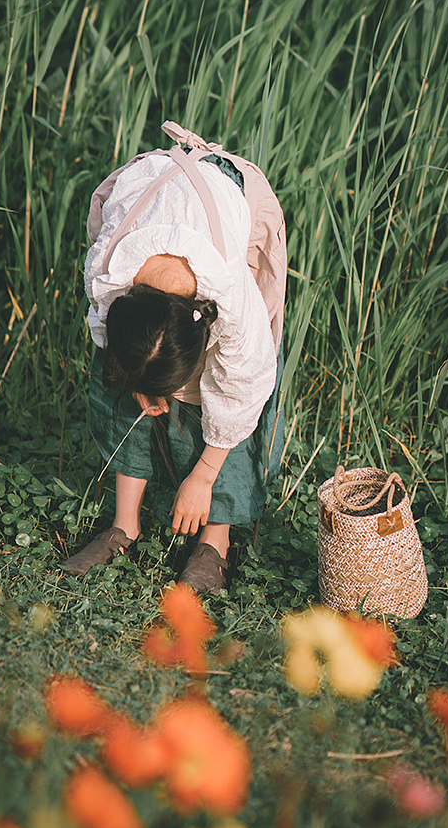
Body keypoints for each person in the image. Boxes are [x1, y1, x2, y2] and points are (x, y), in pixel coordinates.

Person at [59, 122, 286, 593]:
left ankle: (215, 542)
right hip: (153, 196)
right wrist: (138, 381)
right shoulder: (109, 269)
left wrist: (202, 476)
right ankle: (125, 525)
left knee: (224, 399)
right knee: (123, 372)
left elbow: (244, 386)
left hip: (228, 203)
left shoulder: (229, 292)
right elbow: (116, 338)